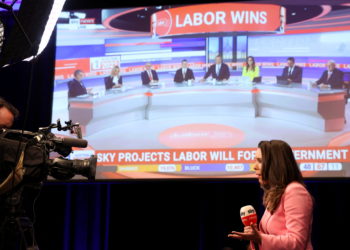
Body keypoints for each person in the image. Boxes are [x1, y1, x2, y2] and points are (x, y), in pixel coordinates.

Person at [228, 140, 313, 250]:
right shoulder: (276, 194)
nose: (254, 167)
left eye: (260, 161)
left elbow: (297, 242)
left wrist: (260, 238)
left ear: (275, 164)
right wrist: (255, 237)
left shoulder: (295, 192)